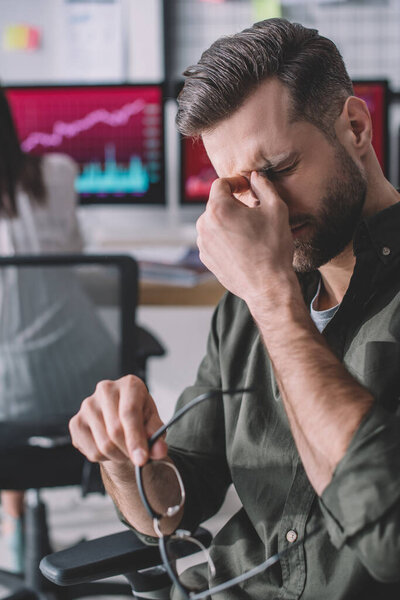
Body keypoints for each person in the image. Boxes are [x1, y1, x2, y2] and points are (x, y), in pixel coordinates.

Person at [69, 18, 400, 599]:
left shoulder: (265, 291)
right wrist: (124, 457)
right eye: (238, 186)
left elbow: (387, 536)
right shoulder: (248, 304)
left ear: (354, 127)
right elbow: (173, 506)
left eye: (277, 171)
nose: (264, 209)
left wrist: (272, 299)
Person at [0, 85, 118, 573]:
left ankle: (14, 529)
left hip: (10, 402)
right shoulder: (57, 173)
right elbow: (70, 258)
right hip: (84, 381)